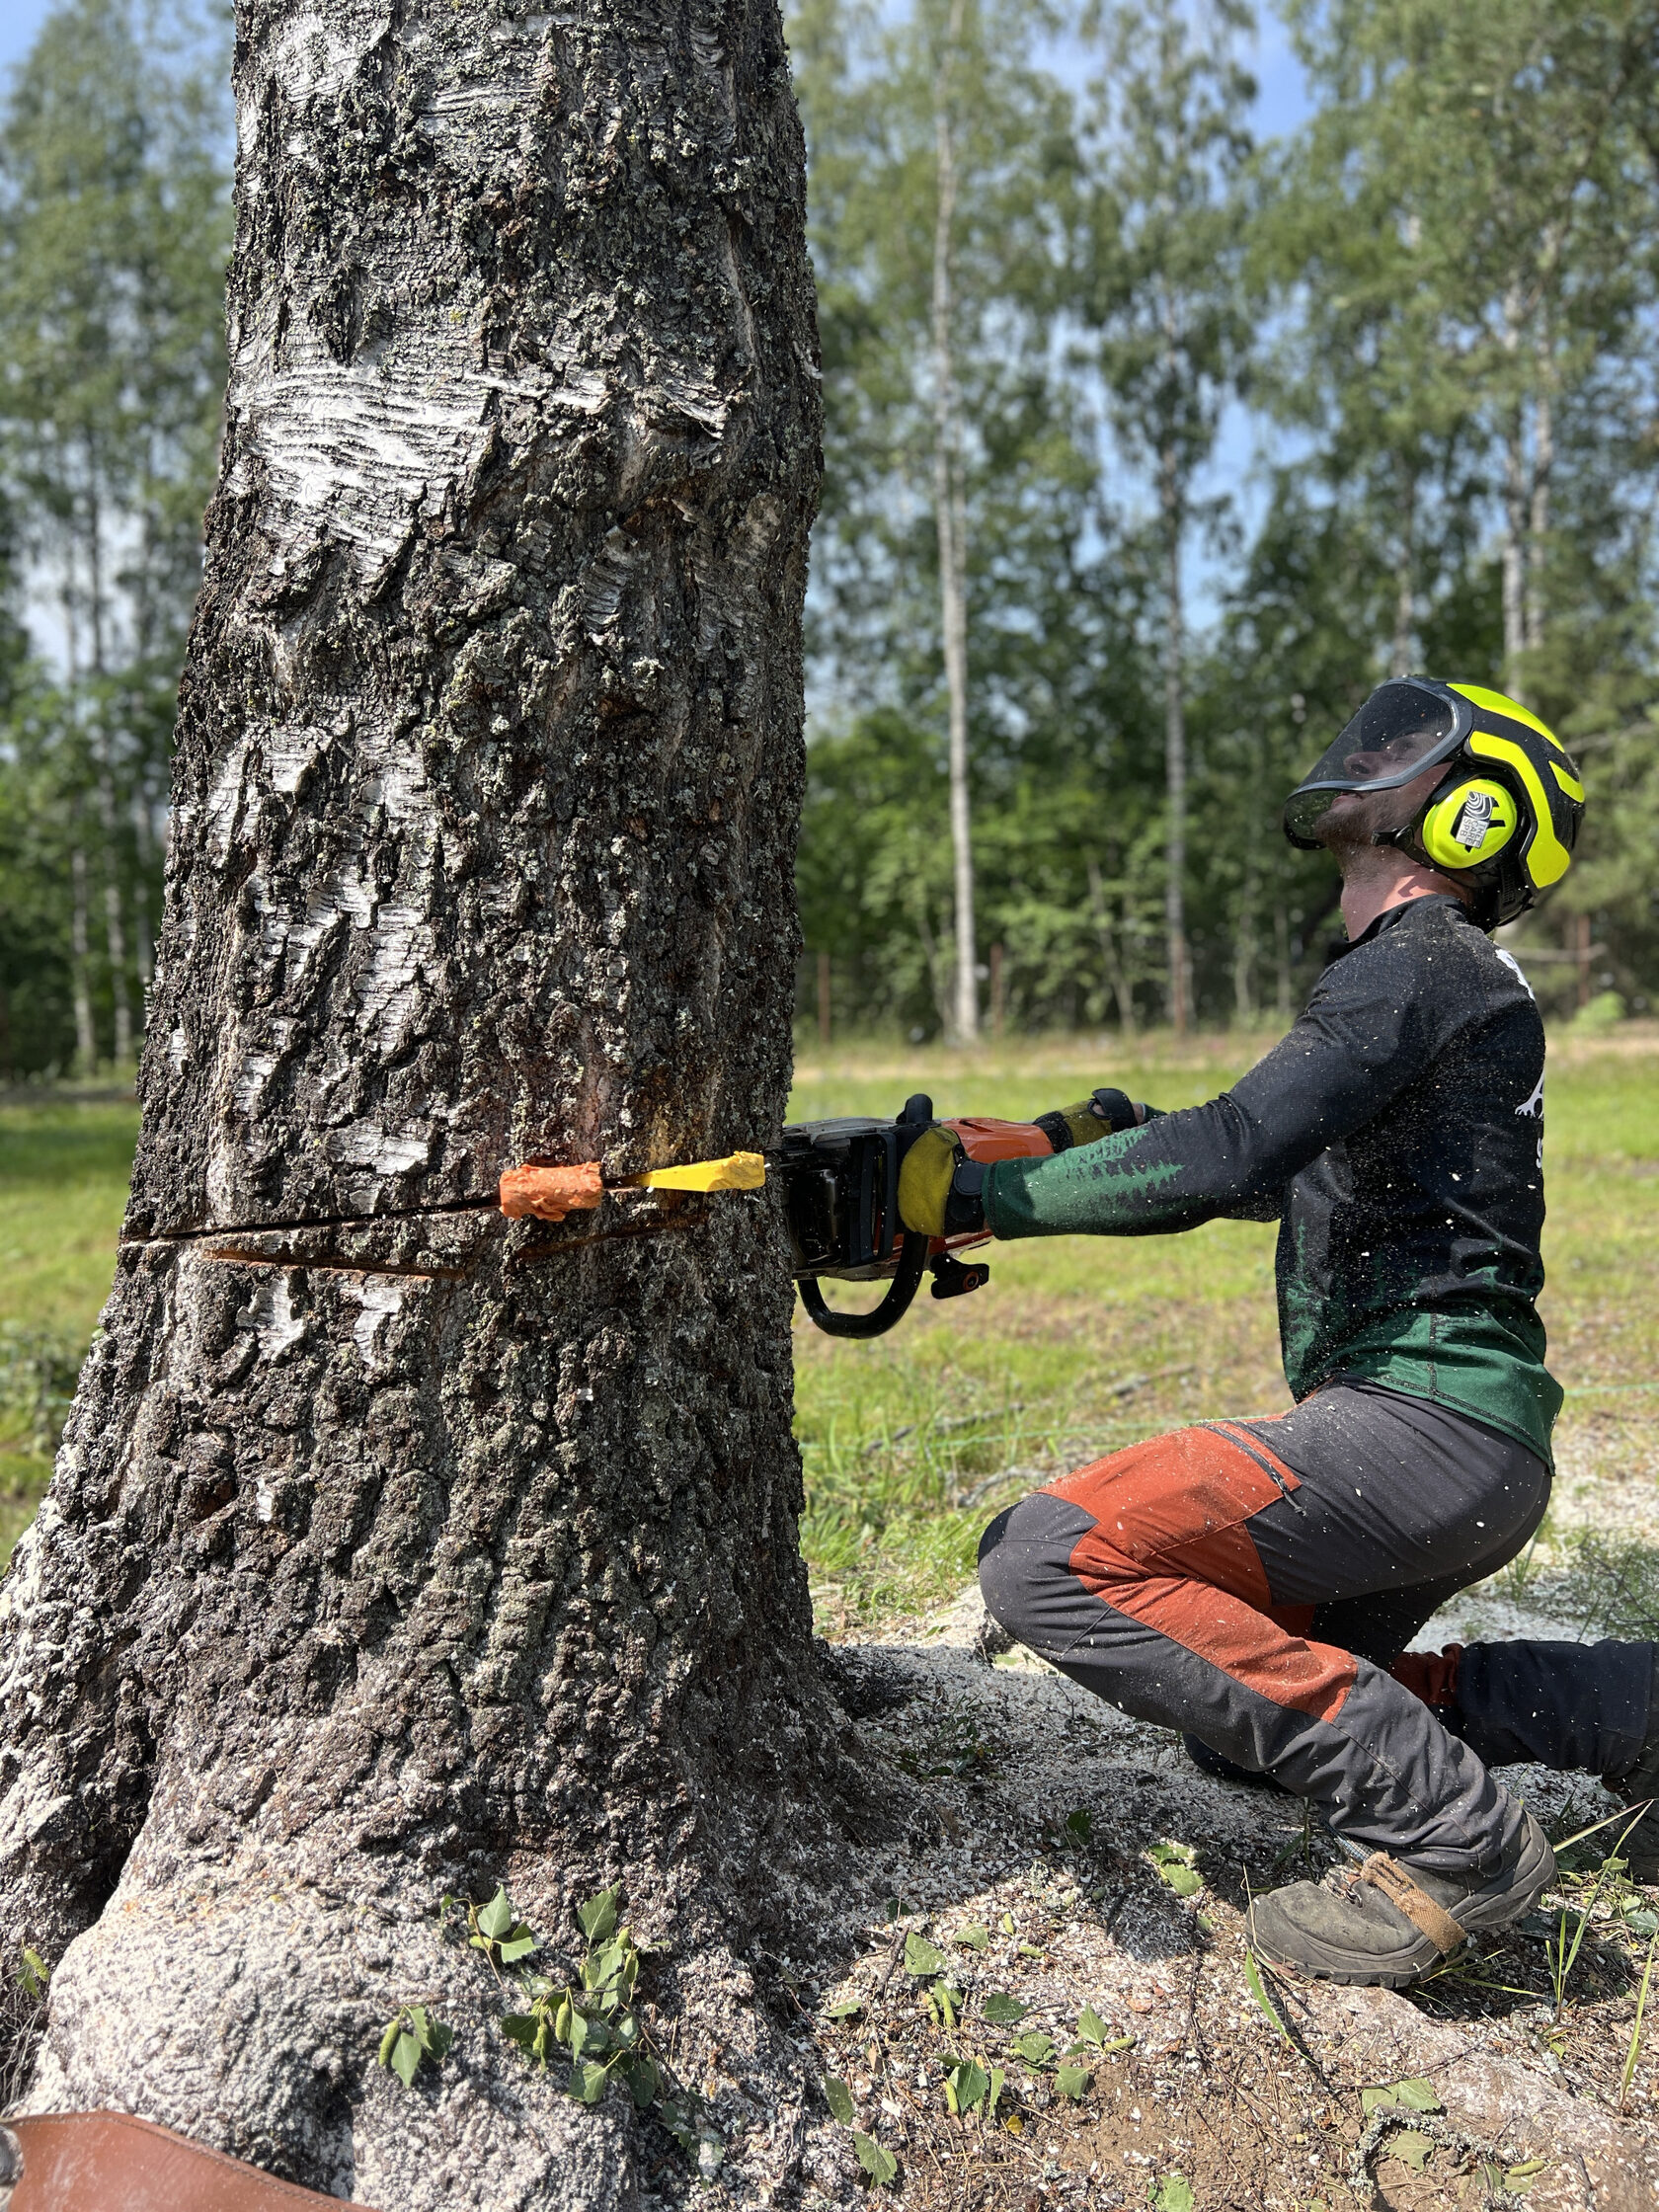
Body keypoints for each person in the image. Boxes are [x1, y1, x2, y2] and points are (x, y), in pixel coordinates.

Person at [897, 677, 1655, 1989]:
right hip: (1469, 1456)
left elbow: (1227, 1151)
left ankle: (1453, 1836)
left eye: (1401, 750)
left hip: (1414, 1433)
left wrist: (978, 1197)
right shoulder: (1443, 985)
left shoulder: (1421, 964)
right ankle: (1632, 1709)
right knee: (1235, 1710)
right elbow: (1270, 1168)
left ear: (1476, 815)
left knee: (1052, 1558)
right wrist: (1079, 1139)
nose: (1360, 761)